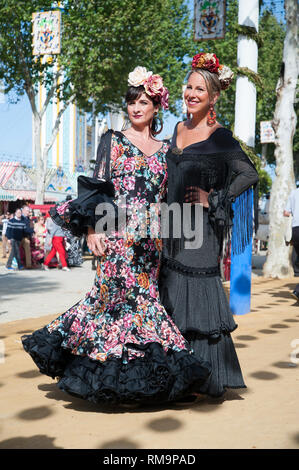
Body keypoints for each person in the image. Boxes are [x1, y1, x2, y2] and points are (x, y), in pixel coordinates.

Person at [22, 66, 211, 407]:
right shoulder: (112, 140)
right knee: (111, 301)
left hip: (150, 241)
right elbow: (97, 186)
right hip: (117, 233)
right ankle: (105, 374)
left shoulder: (167, 150)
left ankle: (138, 379)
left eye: (144, 102)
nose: (137, 108)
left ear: (157, 108)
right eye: (132, 102)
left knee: (145, 304)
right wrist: (93, 228)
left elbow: (173, 194)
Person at [158, 53, 259, 401]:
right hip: (171, 227)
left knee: (197, 298)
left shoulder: (221, 137)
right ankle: (179, 377)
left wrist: (213, 198)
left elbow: (249, 174)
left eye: (200, 88)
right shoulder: (177, 128)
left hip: (201, 232)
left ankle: (205, 377)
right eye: (188, 86)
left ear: (214, 97)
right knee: (172, 294)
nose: (191, 93)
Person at [283, 186, 299, 300]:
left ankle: (297, 270)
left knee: (297, 252)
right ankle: (298, 291)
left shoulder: (294, 193)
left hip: (295, 229)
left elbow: (285, 212)